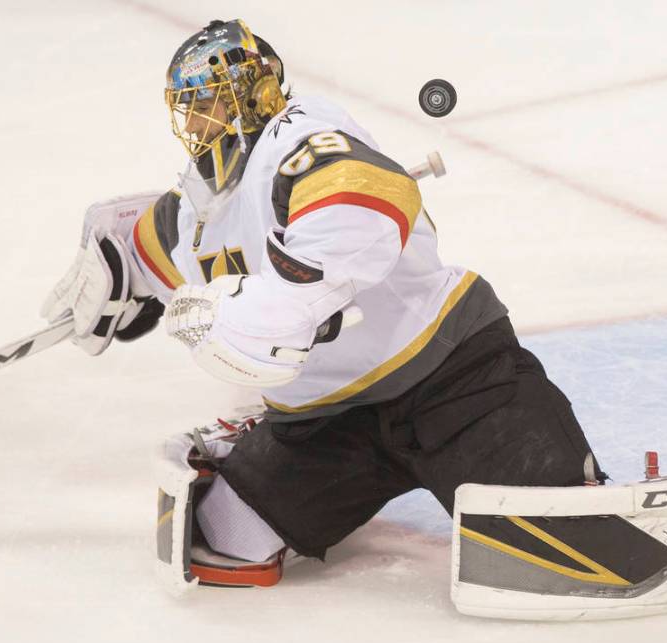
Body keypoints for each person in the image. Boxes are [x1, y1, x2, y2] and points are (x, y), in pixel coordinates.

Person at [42, 19, 605, 590]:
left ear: (257, 93)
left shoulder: (300, 133)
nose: (199, 121)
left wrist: (279, 307)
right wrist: (116, 264)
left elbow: (361, 198)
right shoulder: (193, 207)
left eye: (213, 101)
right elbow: (148, 247)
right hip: (322, 423)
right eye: (189, 107)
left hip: (452, 380)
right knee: (222, 540)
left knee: (559, 551)